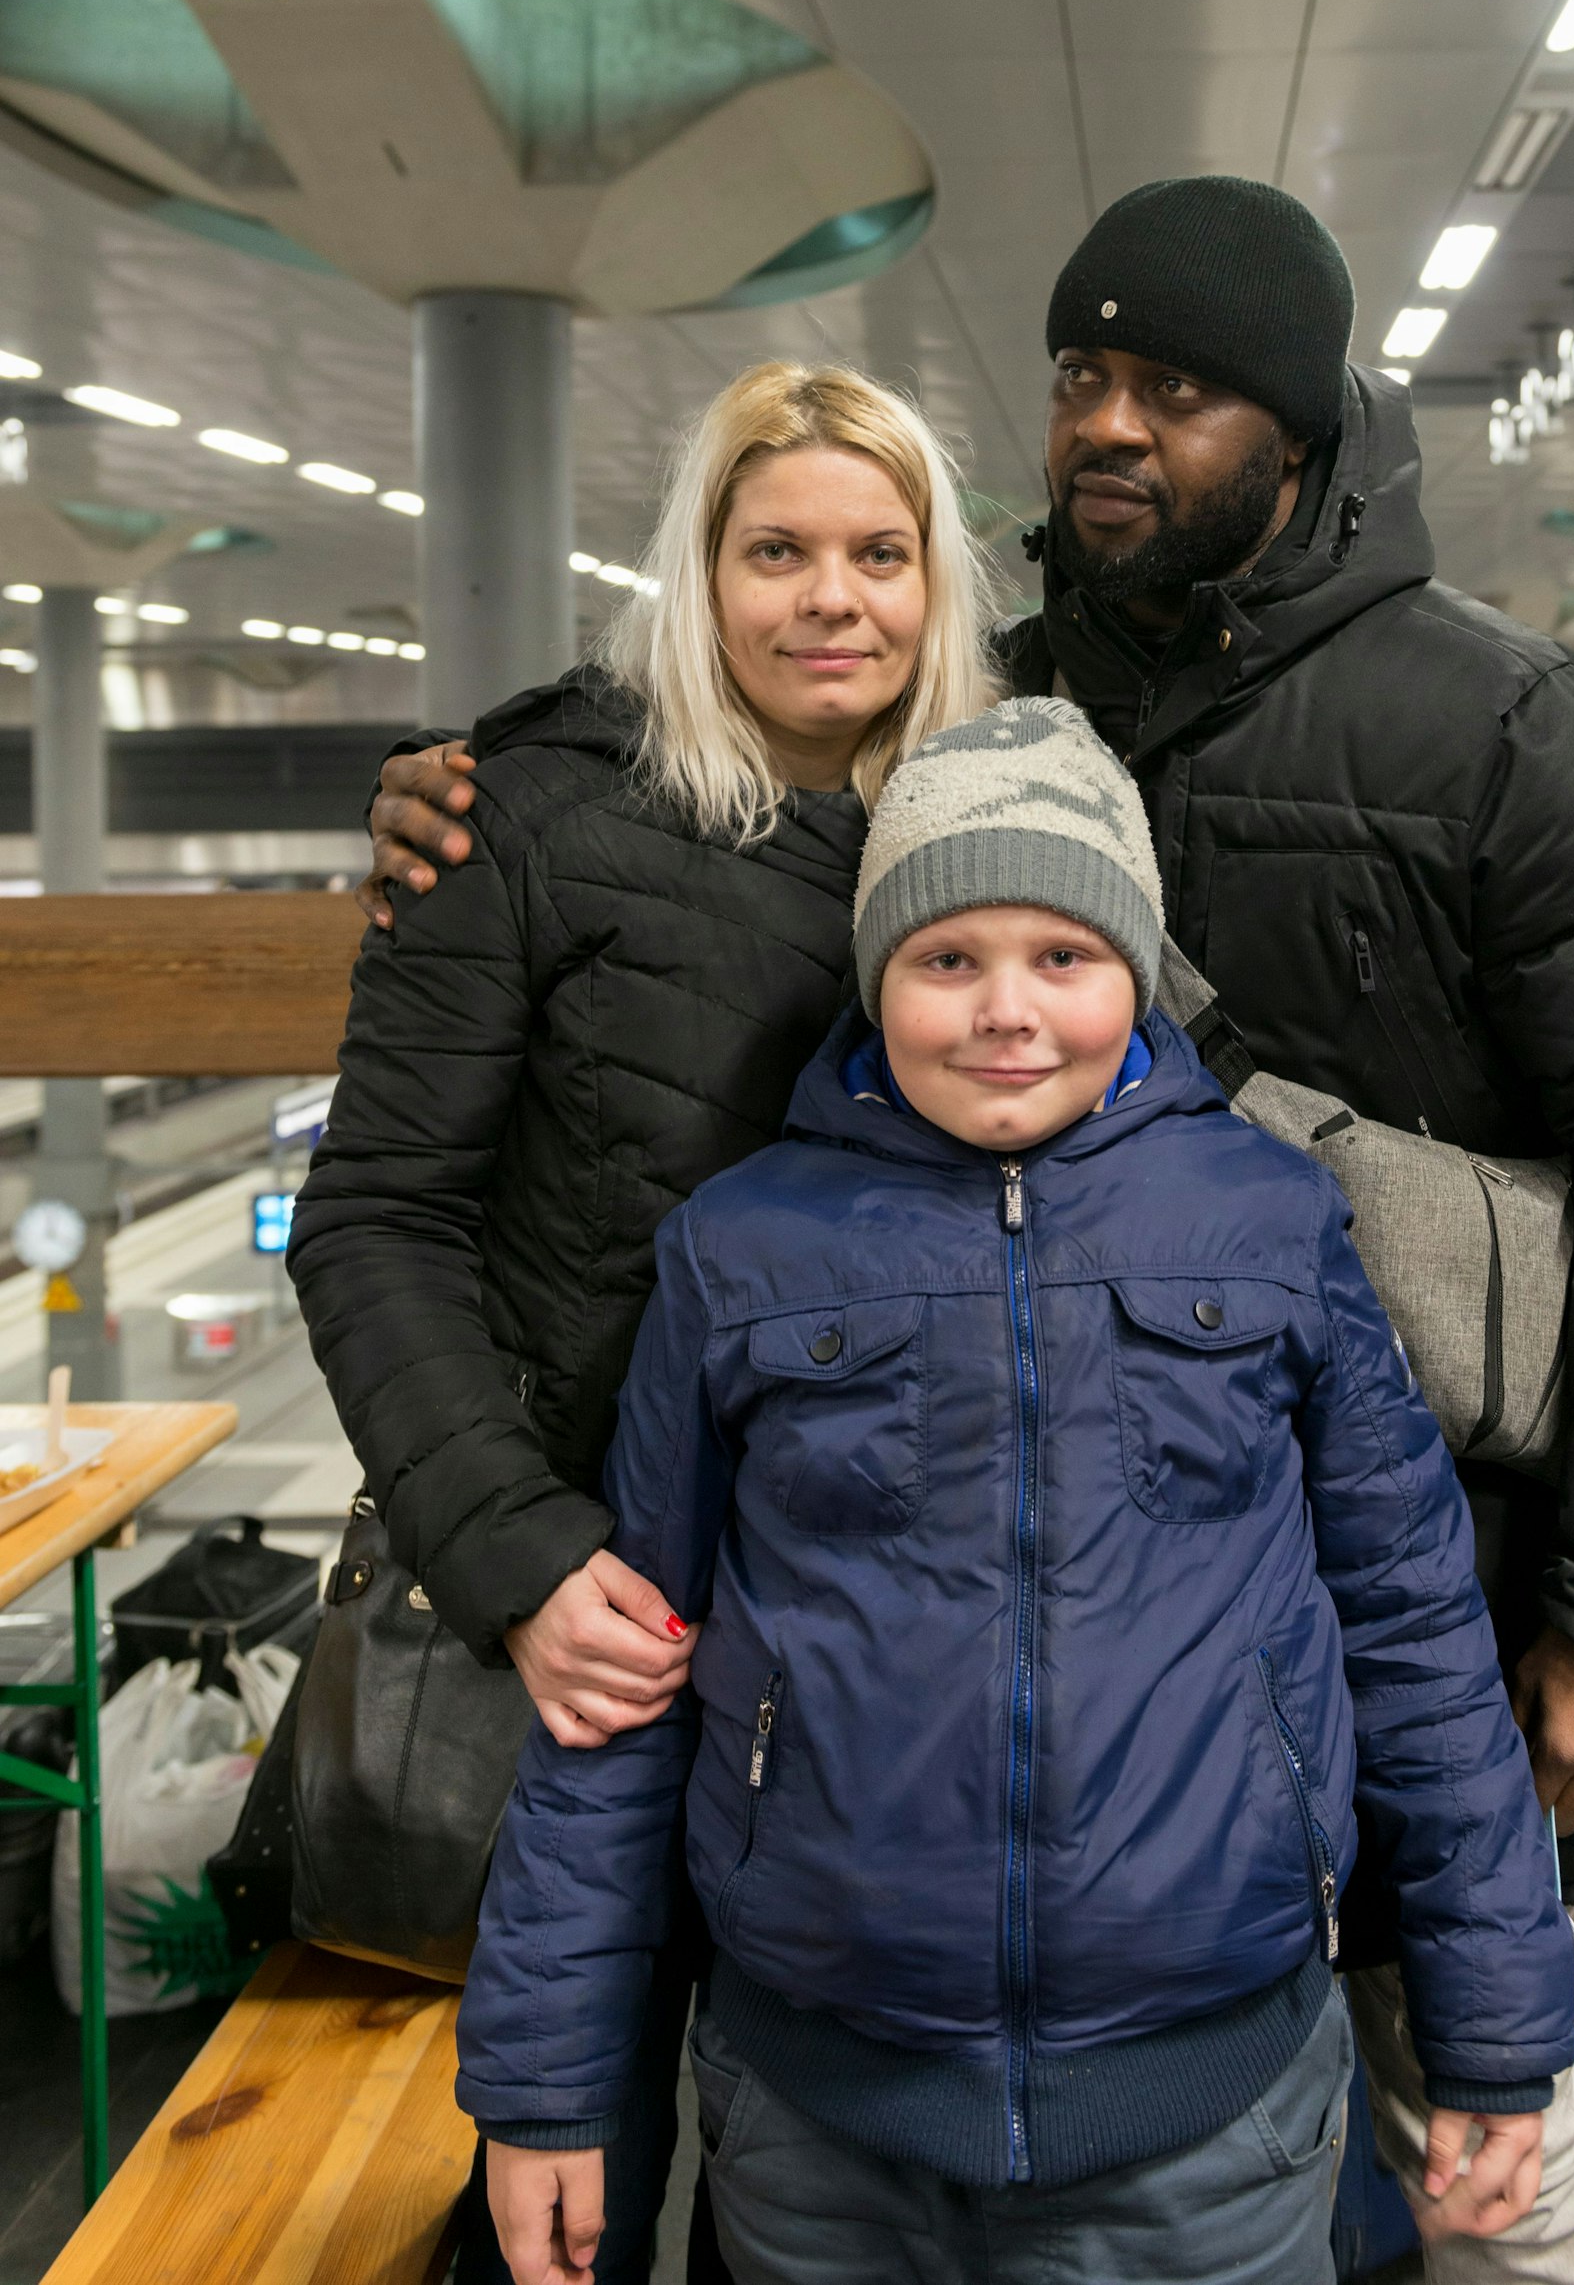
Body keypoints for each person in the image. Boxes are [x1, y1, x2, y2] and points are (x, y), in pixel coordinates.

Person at [362, 177, 1574, 2279]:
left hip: (1453, 1629)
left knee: (1494, 2178)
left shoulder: (1497, 723)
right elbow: (709, 746)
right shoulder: (992, 703)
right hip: (981, 1709)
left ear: (1304, 432)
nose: (1112, 425)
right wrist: (453, 784)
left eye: (1184, 387)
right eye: (1080, 376)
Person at [458, 700, 1574, 2285]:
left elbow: (1415, 1634)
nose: (1005, 1011)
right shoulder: (743, 1244)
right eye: (946, 958)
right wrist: (546, 2077)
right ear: (876, 977)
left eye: (1063, 954)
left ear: (1136, 966)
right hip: (817, 2115)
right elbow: (622, 1685)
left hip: (1208, 2116)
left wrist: (1492, 2031)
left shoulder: (1272, 1219)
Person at [287, 360, 1005, 2283]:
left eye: (879, 551)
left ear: (942, 588)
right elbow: (374, 1221)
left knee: (821, 2200)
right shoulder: (521, 823)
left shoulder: (1007, 844)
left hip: (868, 1651)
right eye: (775, 550)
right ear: (700, 573)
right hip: (590, 1640)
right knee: (556, 2180)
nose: (830, 597)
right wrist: (517, 1555)